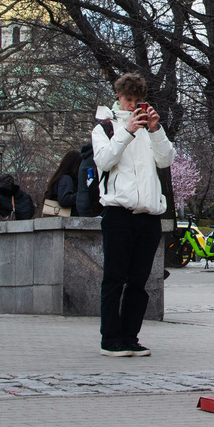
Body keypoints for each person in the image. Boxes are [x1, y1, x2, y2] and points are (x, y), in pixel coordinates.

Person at [93, 72, 174, 357]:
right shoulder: (105, 128)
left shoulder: (148, 128)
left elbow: (165, 160)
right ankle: (109, 338)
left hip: (148, 215)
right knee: (114, 278)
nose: (133, 106)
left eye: (138, 101)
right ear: (118, 97)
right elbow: (104, 161)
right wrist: (126, 132)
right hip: (118, 213)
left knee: (139, 282)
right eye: (129, 100)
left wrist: (155, 129)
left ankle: (130, 336)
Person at [44, 150, 81, 217]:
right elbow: (65, 199)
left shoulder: (61, 178)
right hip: (67, 219)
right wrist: (83, 195)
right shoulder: (66, 179)